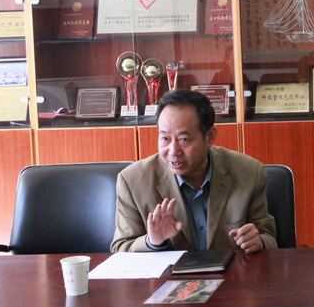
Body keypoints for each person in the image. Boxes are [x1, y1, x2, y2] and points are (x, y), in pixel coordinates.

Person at [111, 89, 277, 253]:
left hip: (231, 269)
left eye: (184, 139)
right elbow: (120, 248)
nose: (173, 151)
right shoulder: (132, 181)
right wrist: (152, 241)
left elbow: (269, 238)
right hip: (169, 271)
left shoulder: (249, 172)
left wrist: (259, 241)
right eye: (165, 138)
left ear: (209, 137)